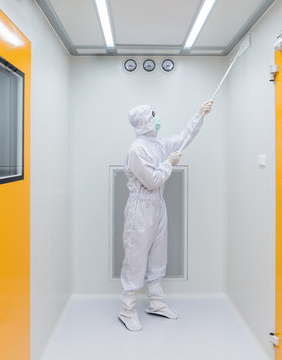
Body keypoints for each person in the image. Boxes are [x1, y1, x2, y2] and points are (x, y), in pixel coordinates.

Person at [119, 100, 213, 331]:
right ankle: (127, 310)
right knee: (135, 258)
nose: (157, 118)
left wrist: (199, 115)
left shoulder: (156, 144)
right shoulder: (136, 149)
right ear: (144, 122)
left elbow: (183, 139)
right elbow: (151, 181)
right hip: (140, 209)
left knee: (158, 255)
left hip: (158, 206)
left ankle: (155, 302)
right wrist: (169, 164)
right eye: (153, 115)